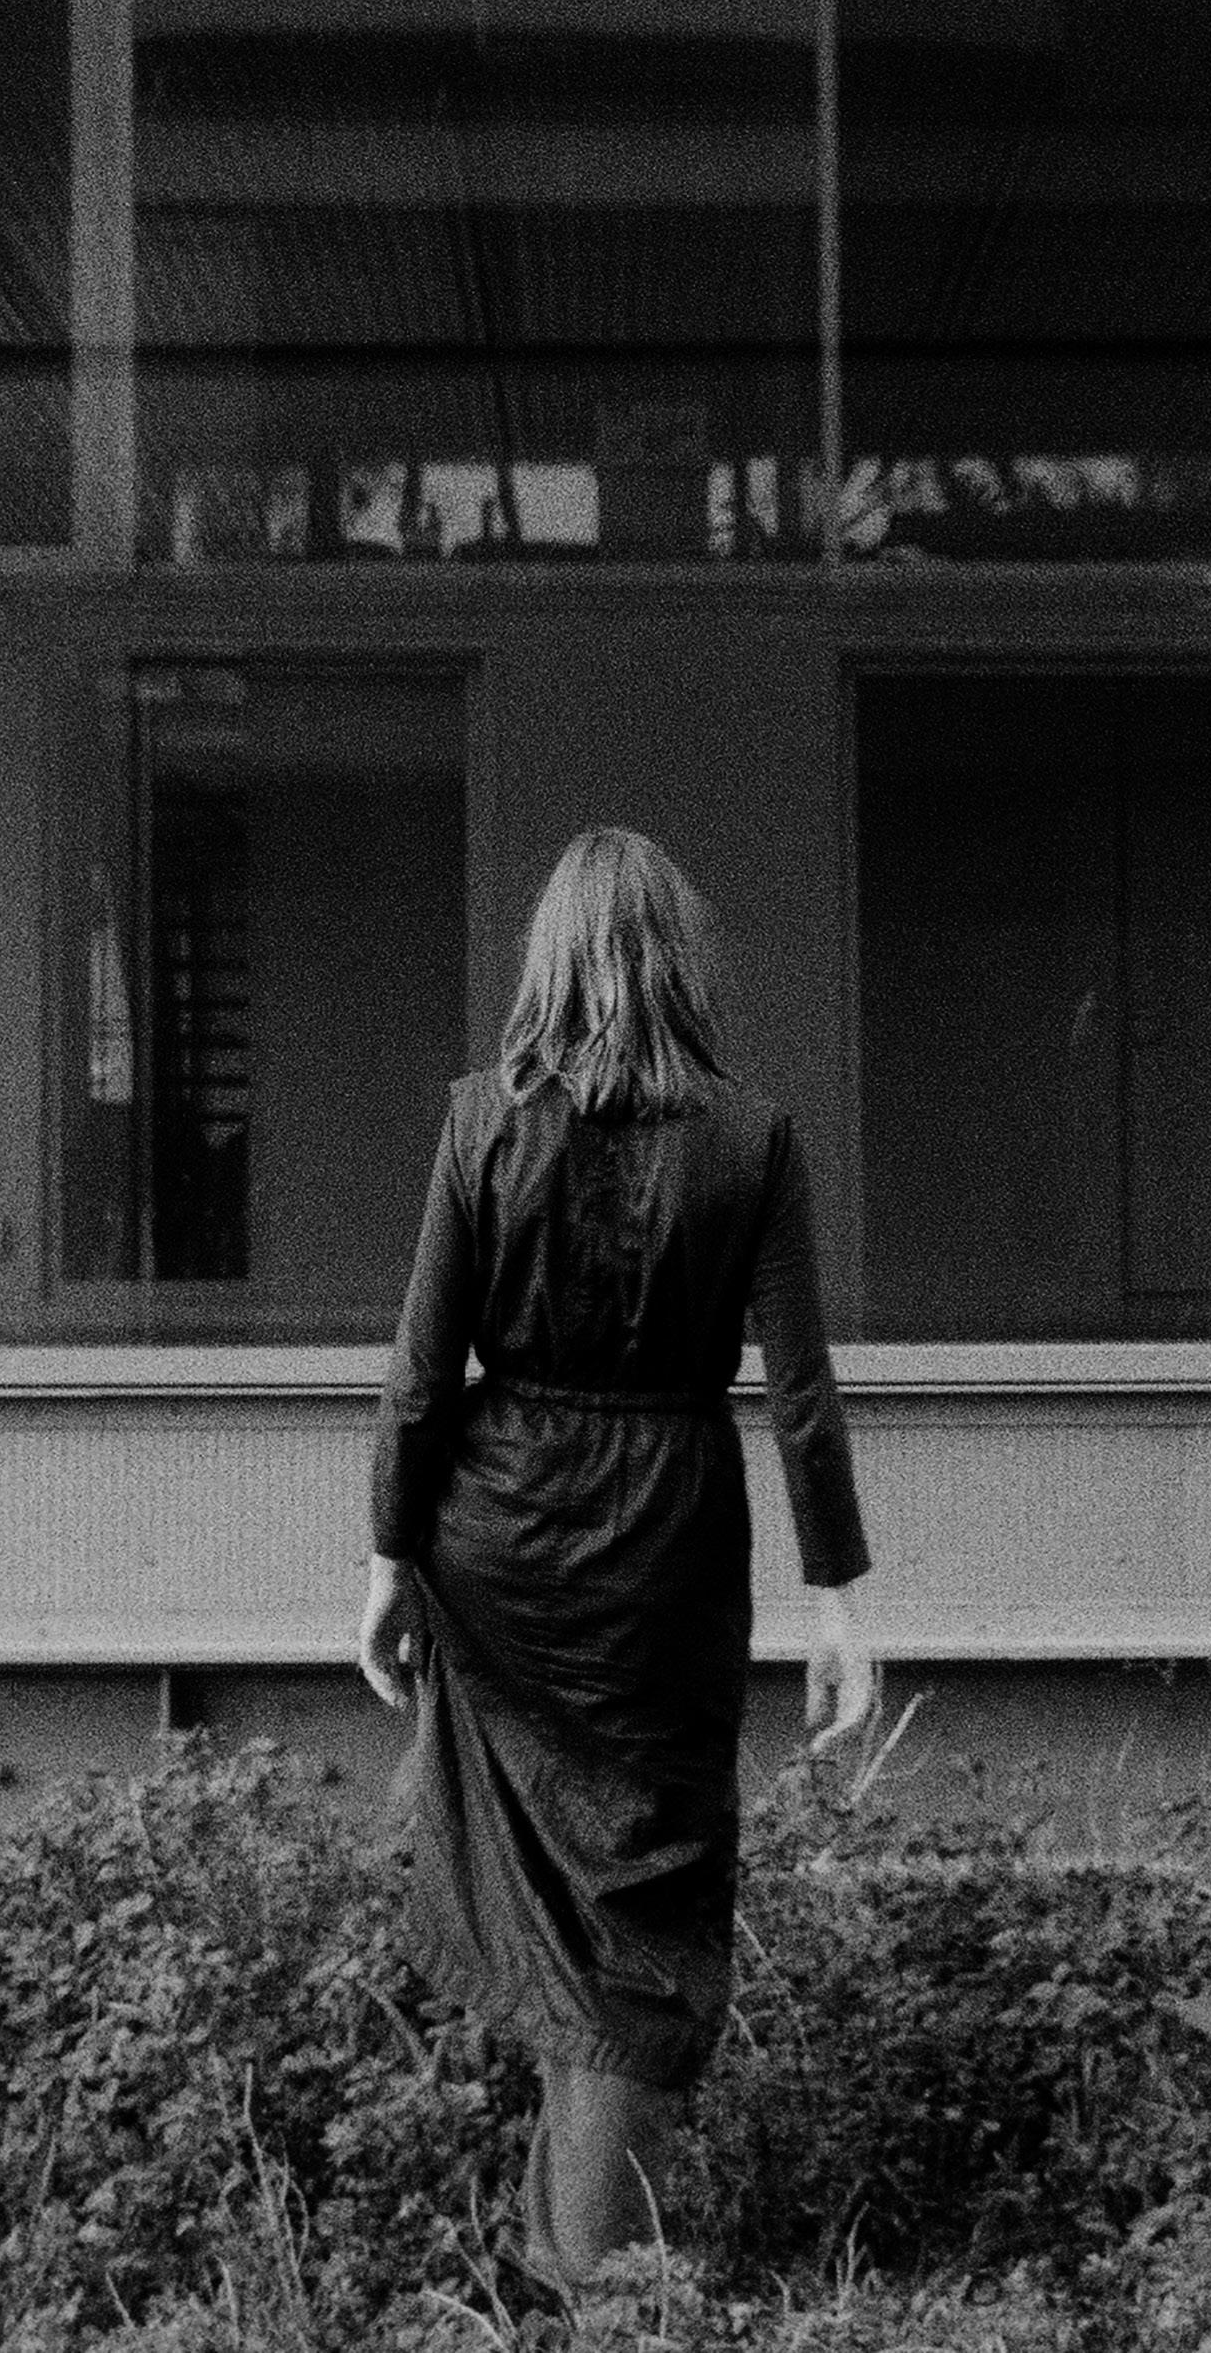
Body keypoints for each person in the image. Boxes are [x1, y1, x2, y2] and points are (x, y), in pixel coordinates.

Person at [354, 824, 878, 2293]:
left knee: (561, 1895)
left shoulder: (481, 1123)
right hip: (663, 1541)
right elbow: (802, 1393)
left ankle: (563, 2258)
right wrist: (841, 1603)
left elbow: (418, 1374)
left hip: (497, 1538)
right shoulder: (751, 1139)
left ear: (551, 958)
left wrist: (389, 1558)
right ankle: (604, 2278)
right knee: (644, 1898)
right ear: (677, 960)